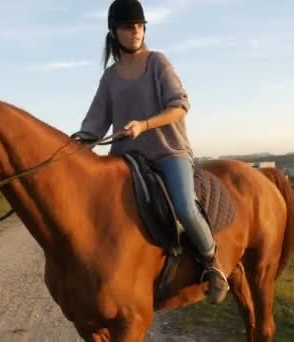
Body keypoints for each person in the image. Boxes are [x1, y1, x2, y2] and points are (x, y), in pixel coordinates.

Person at [74, 0, 228, 304]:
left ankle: (212, 262)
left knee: (184, 206)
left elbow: (180, 107)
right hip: (126, 158)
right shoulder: (110, 77)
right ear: (114, 32)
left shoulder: (158, 62)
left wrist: (144, 125)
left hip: (168, 152)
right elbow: (94, 124)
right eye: (129, 27)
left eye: (140, 26)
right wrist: (75, 143)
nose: (136, 32)